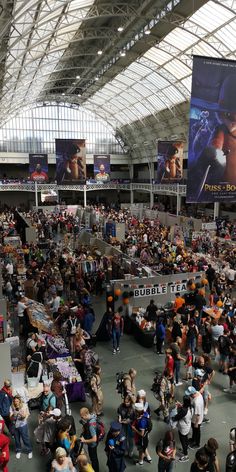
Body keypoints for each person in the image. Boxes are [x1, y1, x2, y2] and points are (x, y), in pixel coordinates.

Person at [173, 396, 193, 463]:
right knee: (186, 438)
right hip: (188, 425)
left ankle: (186, 455)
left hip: (183, 428)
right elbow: (184, 408)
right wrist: (180, 405)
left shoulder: (184, 411)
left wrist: (176, 409)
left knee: (183, 441)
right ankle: (186, 448)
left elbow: (177, 417)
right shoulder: (190, 406)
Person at [79, 407, 99, 472]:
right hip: (94, 442)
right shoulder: (93, 415)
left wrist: (84, 441)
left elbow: (94, 439)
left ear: (85, 415)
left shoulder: (91, 426)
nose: (81, 418)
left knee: (94, 459)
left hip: (92, 445)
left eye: (82, 417)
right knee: (94, 458)